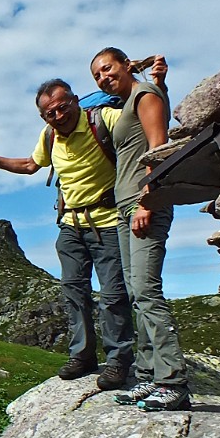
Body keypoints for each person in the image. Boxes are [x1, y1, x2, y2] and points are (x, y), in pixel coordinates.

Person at [0, 80, 133, 388]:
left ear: (76, 101)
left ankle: (118, 361)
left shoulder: (104, 120)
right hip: (70, 224)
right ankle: (83, 356)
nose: (59, 116)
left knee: (114, 295)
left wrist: (153, 86)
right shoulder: (49, 137)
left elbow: (141, 118)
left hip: (108, 220)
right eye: (50, 113)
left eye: (63, 107)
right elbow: (30, 165)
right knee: (74, 291)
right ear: (43, 117)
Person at [89, 47, 190, 412]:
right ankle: (148, 376)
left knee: (147, 290)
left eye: (107, 69)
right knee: (135, 292)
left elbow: (159, 147)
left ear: (125, 64)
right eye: (97, 75)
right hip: (124, 208)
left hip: (143, 204)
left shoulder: (143, 95)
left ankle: (173, 381)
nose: (103, 77)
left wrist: (147, 201)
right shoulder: (132, 99)